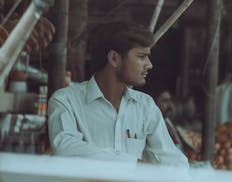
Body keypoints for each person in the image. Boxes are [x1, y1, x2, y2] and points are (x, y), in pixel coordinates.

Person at [47, 21, 188, 167]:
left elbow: (174, 161)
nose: (149, 65)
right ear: (114, 58)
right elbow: (65, 148)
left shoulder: (145, 106)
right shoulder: (66, 101)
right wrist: (135, 165)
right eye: (141, 56)